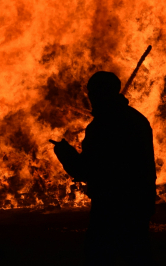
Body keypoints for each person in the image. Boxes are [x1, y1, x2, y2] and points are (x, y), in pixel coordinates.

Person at [51, 71, 157, 265]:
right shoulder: (137, 119)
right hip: (139, 201)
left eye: (93, 92)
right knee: (137, 255)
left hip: (110, 205)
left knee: (100, 255)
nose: (91, 97)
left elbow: (87, 169)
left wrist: (65, 153)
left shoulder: (102, 126)